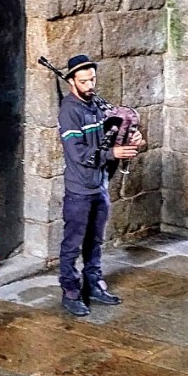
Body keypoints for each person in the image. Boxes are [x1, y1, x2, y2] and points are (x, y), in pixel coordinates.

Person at [57, 54, 145, 316]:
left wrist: (133, 139)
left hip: (99, 187)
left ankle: (94, 284)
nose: (90, 85)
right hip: (79, 190)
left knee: (95, 241)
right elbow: (79, 154)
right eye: (83, 81)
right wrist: (113, 155)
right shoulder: (69, 111)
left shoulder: (96, 105)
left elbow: (111, 135)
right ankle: (71, 292)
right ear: (71, 81)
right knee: (73, 243)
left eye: (92, 79)